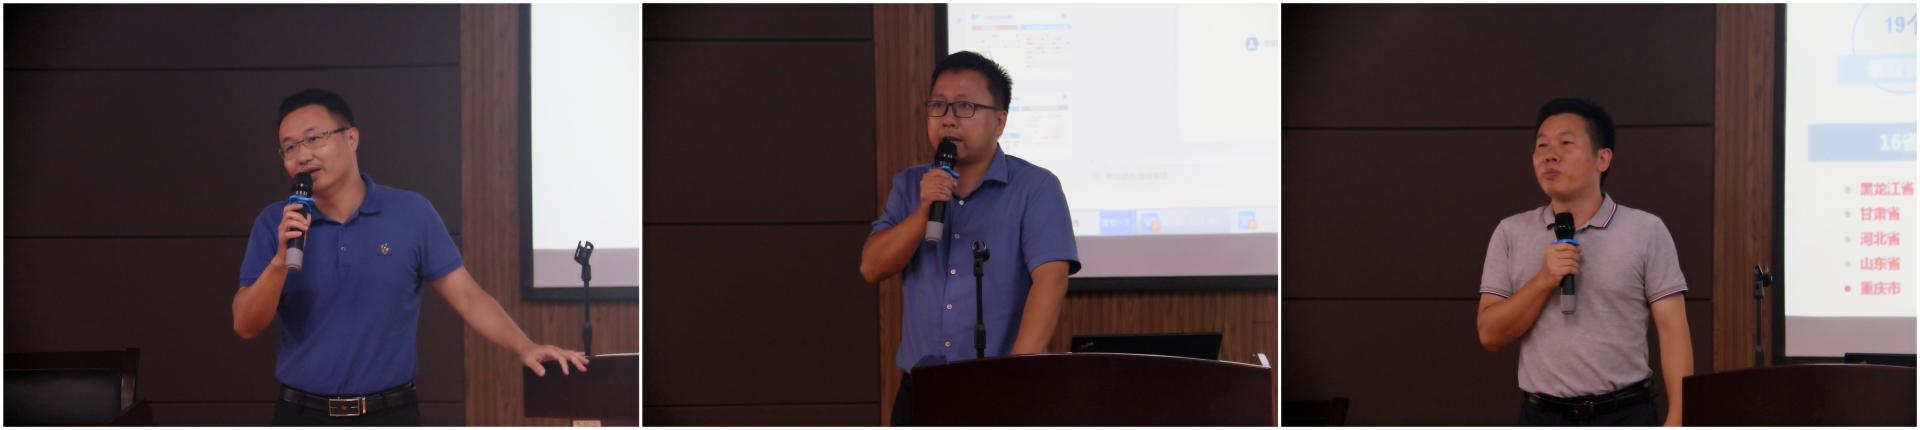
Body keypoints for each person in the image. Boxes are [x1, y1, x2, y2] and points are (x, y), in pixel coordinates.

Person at [233, 88, 590, 426]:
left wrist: (524, 346)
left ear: (351, 138)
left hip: (390, 413)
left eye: (314, 139)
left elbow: (468, 296)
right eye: (290, 147)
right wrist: (280, 261)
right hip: (301, 413)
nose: (302, 155)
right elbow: (245, 325)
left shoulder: (410, 212)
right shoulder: (276, 222)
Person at [859, 51, 1082, 426]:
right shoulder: (910, 185)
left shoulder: (1035, 188)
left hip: (1005, 386)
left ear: (1000, 121)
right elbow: (871, 267)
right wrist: (923, 211)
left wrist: (1018, 377)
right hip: (923, 391)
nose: (948, 118)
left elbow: (1051, 280)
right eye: (938, 106)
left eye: (965, 106)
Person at [1476, 98, 1694, 426]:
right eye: (1542, 146)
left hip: (1625, 413)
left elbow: (1673, 329)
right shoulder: (1511, 232)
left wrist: (1679, 416)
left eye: (1565, 143)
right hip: (1542, 416)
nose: (1550, 155)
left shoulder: (1646, 230)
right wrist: (1543, 281)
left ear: (1602, 158)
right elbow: (1490, 334)